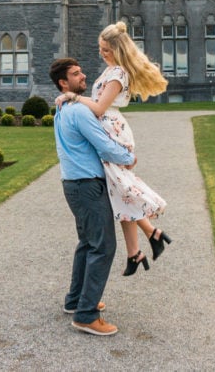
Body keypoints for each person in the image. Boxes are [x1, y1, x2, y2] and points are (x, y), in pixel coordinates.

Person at [56, 21, 172, 277]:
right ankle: (140, 247)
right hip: (110, 128)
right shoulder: (111, 71)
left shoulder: (118, 74)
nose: (101, 53)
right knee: (120, 191)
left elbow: (98, 108)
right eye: (100, 48)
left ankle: (149, 234)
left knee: (122, 188)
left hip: (113, 131)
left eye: (106, 49)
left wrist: (72, 97)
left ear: (118, 50)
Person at [49, 57, 137, 337]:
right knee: (103, 246)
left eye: (81, 70)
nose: (83, 75)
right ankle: (86, 315)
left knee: (87, 244)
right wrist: (129, 157)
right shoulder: (79, 111)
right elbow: (104, 145)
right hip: (87, 185)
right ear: (64, 83)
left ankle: (76, 300)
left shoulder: (63, 108)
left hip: (73, 184)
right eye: (76, 74)